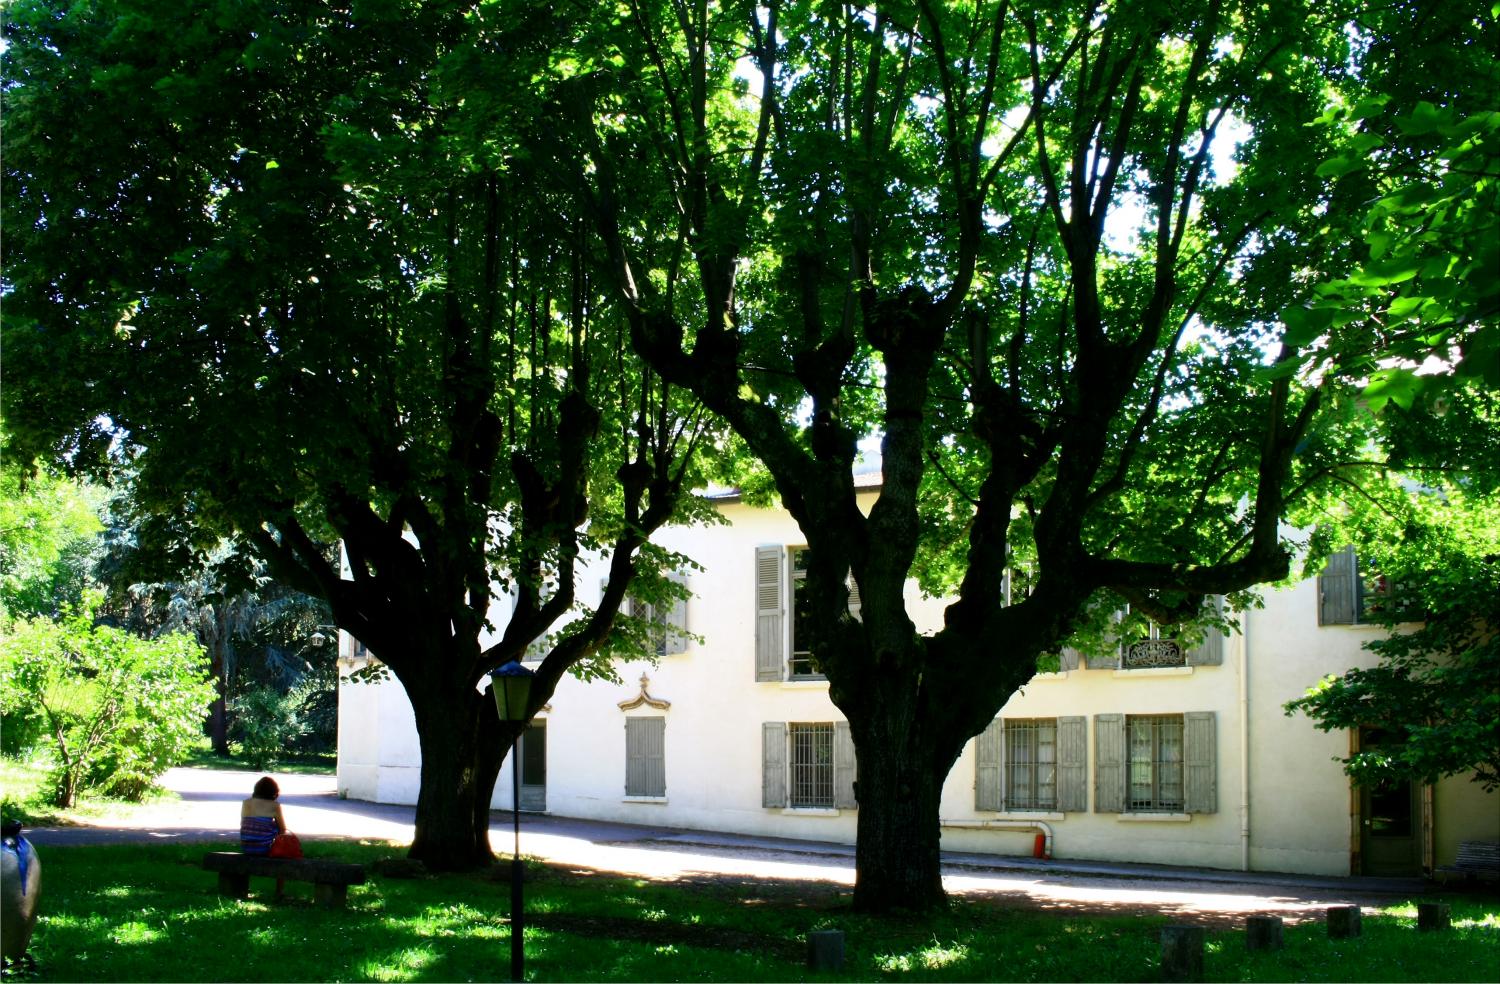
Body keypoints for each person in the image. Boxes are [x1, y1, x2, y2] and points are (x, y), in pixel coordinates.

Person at [240, 776, 287, 855]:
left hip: (246, 847)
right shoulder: (274, 805)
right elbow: (282, 830)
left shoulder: (246, 803)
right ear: (273, 792)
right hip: (264, 849)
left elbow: (244, 823)